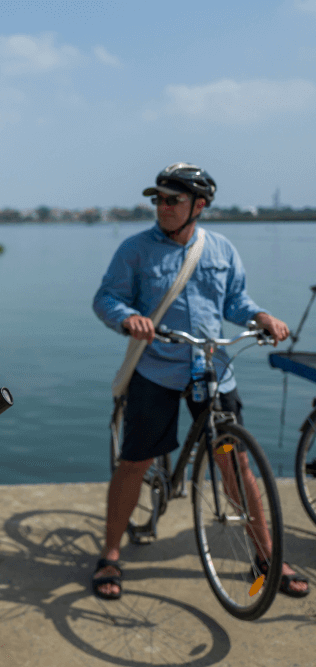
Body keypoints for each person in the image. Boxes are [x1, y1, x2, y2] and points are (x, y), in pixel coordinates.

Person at [91, 162, 309, 600]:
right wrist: (126, 317)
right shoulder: (135, 250)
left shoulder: (222, 249)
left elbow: (235, 300)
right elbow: (106, 298)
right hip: (155, 368)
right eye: (158, 199)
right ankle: (111, 554)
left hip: (213, 367)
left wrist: (260, 316)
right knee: (134, 461)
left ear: (199, 205)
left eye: (173, 200)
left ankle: (266, 553)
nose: (163, 207)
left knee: (237, 462)